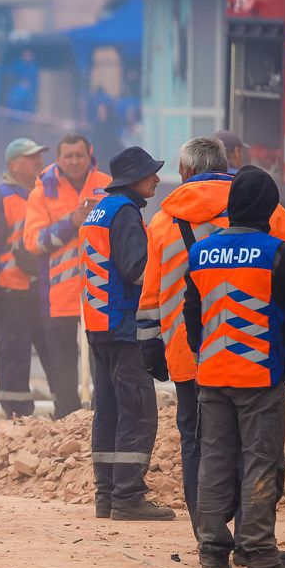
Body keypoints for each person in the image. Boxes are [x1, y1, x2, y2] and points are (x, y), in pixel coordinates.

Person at [136, 137, 285, 564]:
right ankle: (252, 543)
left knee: (203, 448)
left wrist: (153, 348)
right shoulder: (266, 213)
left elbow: (151, 294)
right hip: (253, 358)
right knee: (257, 450)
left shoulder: (163, 221)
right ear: (228, 165)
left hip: (194, 355)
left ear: (184, 174)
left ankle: (210, 540)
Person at [184, 166, 285, 568]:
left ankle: (213, 552)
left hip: (213, 376)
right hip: (259, 375)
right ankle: (259, 557)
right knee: (261, 461)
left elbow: (191, 314)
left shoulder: (202, 252)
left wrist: (205, 350)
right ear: (270, 209)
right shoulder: (277, 252)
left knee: (216, 461)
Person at [79, 146, 173, 521]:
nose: (156, 179)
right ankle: (129, 497)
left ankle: (108, 496)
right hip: (124, 327)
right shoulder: (126, 213)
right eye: (151, 173)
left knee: (109, 412)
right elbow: (137, 269)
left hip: (99, 326)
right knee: (137, 412)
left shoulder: (99, 211)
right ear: (134, 178)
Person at [24, 134, 113, 418]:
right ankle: (66, 420)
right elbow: (34, 242)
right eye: (68, 156)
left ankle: (103, 418)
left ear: (90, 155)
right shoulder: (43, 191)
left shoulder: (107, 186)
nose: (74, 161)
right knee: (61, 364)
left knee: (103, 360)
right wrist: (70, 223)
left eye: (79, 155)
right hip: (57, 294)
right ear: (58, 159)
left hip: (101, 291)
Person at [0, 138, 58, 417]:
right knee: (15, 358)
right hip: (11, 294)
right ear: (14, 164)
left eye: (40, 156)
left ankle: (66, 412)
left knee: (55, 354)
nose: (39, 161)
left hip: (44, 292)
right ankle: (18, 416)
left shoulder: (46, 193)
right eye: (31, 157)